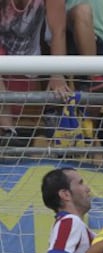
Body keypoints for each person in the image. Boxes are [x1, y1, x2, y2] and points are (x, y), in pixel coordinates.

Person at [0, 0, 70, 146]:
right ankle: (7, 129)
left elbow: (58, 31)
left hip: (25, 71)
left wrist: (57, 74)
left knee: (27, 139)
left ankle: (8, 134)